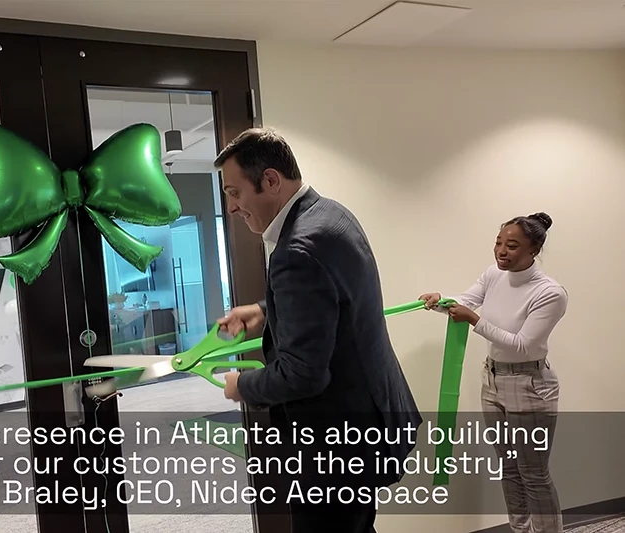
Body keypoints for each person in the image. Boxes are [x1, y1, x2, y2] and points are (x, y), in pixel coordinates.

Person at [214, 128, 423, 533]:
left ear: (271, 180)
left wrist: (243, 386)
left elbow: (303, 373)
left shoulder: (295, 252)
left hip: (335, 443)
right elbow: (333, 299)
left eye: (235, 192)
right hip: (368, 420)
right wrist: (264, 310)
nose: (232, 207)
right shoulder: (329, 214)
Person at [419, 212, 567, 533]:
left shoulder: (550, 293)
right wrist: (440, 299)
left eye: (512, 246)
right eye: (498, 242)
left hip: (530, 384)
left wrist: (475, 320)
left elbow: (523, 346)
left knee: (533, 472)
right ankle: (519, 529)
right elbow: (466, 300)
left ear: (534, 249)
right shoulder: (493, 275)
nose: (501, 251)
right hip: (493, 380)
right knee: (509, 468)